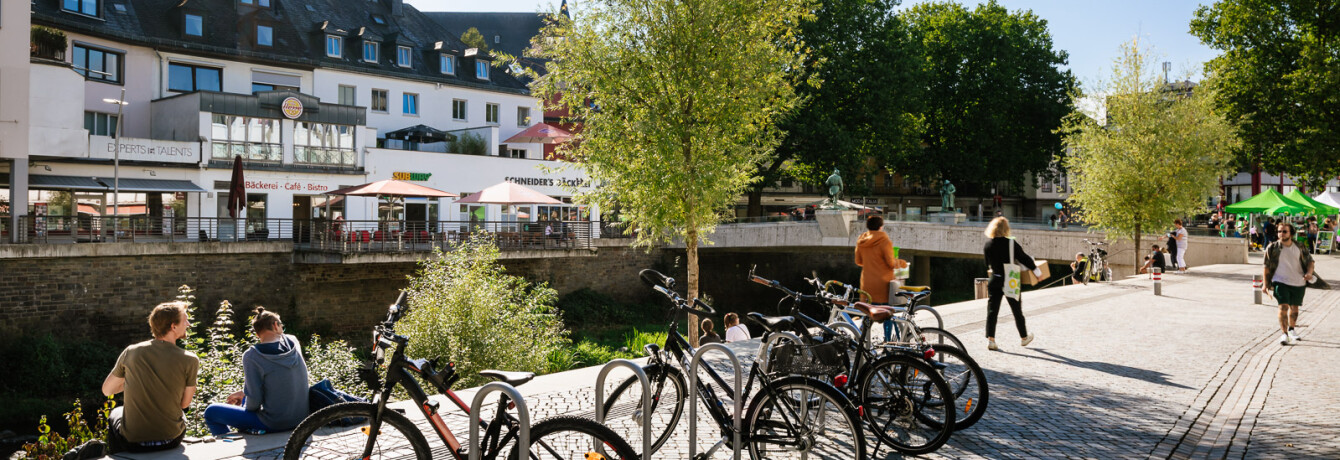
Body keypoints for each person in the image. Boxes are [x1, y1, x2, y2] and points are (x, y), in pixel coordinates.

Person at [102, 302, 199, 453]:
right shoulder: (190, 359)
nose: (188, 323)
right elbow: (184, 404)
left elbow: (107, 390)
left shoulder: (132, 352)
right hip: (171, 440)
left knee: (116, 412)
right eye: (185, 319)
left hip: (133, 444)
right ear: (173, 327)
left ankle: (118, 456)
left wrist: (132, 381)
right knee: (180, 417)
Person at [203, 308, 310, 436]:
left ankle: (230, 445)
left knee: (211, 412)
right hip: (303, 418)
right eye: (282, 325)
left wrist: (245, 404)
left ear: (257, 333)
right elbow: (283, 378)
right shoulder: (293, 341)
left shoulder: (252, 355)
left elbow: (254, 403)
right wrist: (244, 393)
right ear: (276, 325)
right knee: (243, 401)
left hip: (275, 423)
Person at [982, 217, 1040, 351]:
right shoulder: (1011, 243)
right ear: (1006, 229)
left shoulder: (987, 245)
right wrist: (1036, 271)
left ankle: (991, 340)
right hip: (1010, 280)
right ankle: (1024, 338)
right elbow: (1024, 258)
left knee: (992, 311)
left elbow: (986, 264)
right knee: (1016, 310)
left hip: (995, 279)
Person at [1263, 223, 1314, 345]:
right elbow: (1266, 267)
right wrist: (1265, 284)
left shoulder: (1300, 246)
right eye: (1279, 231)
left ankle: (1292, 329)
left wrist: (1309, 273)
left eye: (1284, 231)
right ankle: (1284, 333)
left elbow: (1310, 261)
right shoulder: (1272, 247)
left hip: (1298, 281)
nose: (1281, 234)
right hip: (1280, 281)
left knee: (1294, 307)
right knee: (1283, 306)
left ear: (1291, 233)